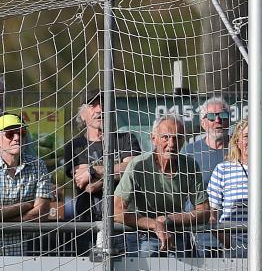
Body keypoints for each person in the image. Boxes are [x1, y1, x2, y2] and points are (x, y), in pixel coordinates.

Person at [113, 115, 209, 257]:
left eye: (178, 138)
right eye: (166, 137)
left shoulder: (189, 165)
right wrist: (154, 224)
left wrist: (169, 219)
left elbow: (205, 211)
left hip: (177, 234)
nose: (172, 144)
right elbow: (115, 210)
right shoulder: (138, 165)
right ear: (154, 139)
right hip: (143, 236)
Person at [63, 88, 141, 254]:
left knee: (128, 270)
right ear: (83, 114)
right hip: (89, 223)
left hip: (124, 221)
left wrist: (94, 170)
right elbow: (86, 185)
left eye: (103, 104)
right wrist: (119, 171)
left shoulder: (127, 139)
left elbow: (133, 170)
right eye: (93, 105)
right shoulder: (75, 146)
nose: (99, 109)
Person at [207, 119, 262, 258]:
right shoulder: (222, 170)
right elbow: (212, 216)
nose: (253, 140)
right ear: (237, 142)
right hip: (236, 251)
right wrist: (230, 243)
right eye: (246, 136)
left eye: (258, 135)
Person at [181, 97, 232, 256]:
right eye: (211, 117)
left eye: (222, 116)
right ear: (203, 123)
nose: (217, 120)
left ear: (229, 121)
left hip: (234, 234)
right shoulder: (189, 152)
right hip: (197, 234)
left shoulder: (242, 150)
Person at [0, 114, 51, 255]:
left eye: (21, 133)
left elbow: (41, 214)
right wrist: (25, 205)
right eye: (10, 134)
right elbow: (35, 210)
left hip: (20, 255)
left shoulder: (38, 165)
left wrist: (4, 222)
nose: (16, 138)